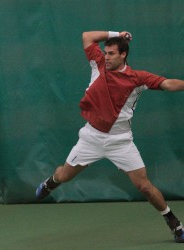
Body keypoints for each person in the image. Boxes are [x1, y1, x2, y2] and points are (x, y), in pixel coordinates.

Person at [35, 30, 184, 243]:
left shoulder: (138, 78)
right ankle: (51, 182)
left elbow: (168, 84)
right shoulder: (98, 64)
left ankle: (174, 224)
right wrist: (116, 33)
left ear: (123, 55)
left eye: (112, 53)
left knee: (144, 187)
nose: (106, 56)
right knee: (65, 176)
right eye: (106, 52)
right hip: (91, 137)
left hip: (121, 141)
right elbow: (87, 36)